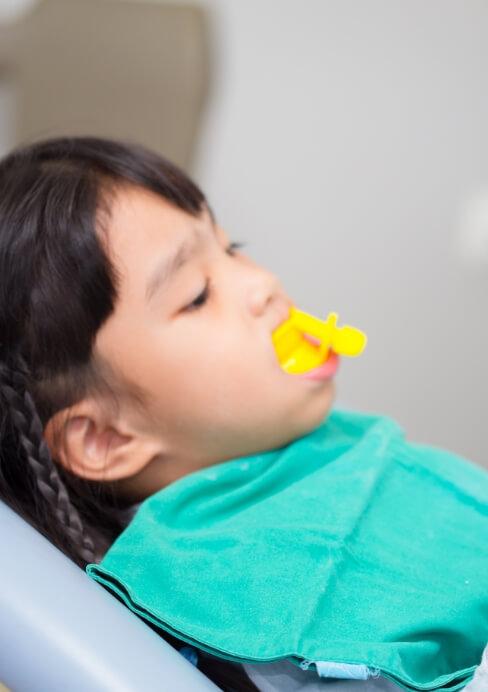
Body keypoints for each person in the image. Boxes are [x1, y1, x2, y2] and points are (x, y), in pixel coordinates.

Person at [0, 137, 485, 692]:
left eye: (233, 249)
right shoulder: (228, 601)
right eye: (199, 295)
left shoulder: (304, 447)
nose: (262, 283)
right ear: (106, 438)